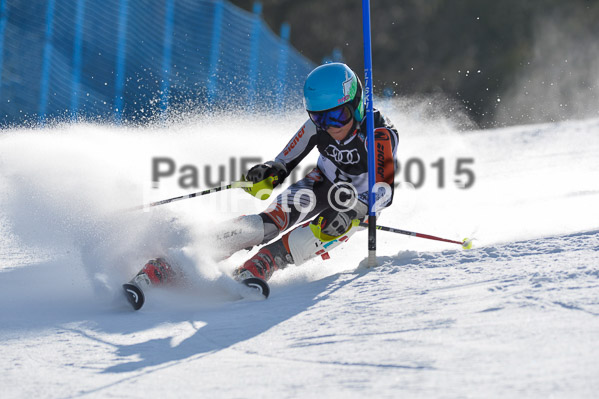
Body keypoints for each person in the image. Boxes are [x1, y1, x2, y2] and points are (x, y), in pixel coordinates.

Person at [133, 63, 399, 293]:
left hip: (360, 201)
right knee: (268, 224)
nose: (330, 126)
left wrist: (356, 210)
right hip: (321, 183)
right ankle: (181, 258)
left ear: (355, 105)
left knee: (322, 230)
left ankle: (264, 263)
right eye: (320, 117)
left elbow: (384, 190)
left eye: (338, 115)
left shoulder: (378, 134)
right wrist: (268, 174)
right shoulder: (315, 129)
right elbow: (283, 163)